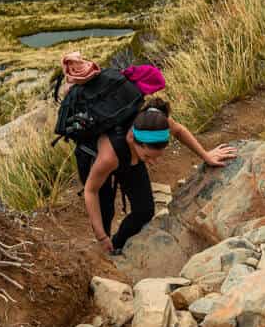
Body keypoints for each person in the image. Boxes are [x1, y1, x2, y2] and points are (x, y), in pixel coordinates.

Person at [79, 97, 236, 255]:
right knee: (104, 209)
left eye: (156, 157)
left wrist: (206, 156)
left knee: (144, 211)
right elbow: (90, 191)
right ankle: (104, 249)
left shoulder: (157, 124)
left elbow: (180, 131)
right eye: (149, 157)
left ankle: (117, 244)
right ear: (133, 139)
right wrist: (101, 236)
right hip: (95, 158)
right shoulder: (108, 157)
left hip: (132, 158)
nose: (153, 162)